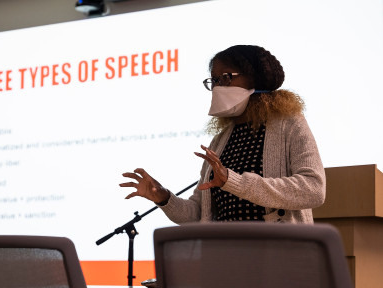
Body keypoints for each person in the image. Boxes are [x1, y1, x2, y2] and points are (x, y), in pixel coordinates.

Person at [120, 45, 325, 224]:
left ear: (256, 78)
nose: (218, 87)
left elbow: (313, 189)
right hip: (226, 255)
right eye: (214, 80)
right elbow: (200, 214)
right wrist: (163, 197)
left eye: (226, 78)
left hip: (279, 254)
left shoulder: (288, 124)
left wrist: (233, 180)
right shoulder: (221, 140)